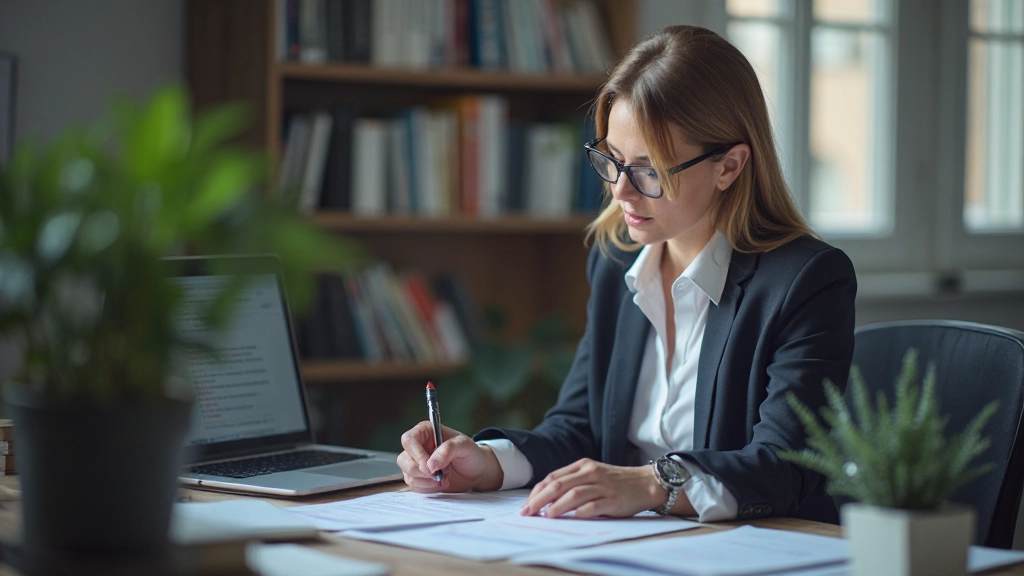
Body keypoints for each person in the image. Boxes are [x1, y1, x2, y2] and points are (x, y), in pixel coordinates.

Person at [397, 25, 856, 524]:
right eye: (612, 160)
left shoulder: (806, 280)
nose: (620, 192)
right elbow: (578, 428)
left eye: (650, 169)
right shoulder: (617, 259)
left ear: (730, 166)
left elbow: (783, 466)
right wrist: (485, 463)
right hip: (628, 547)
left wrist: (650, 484)